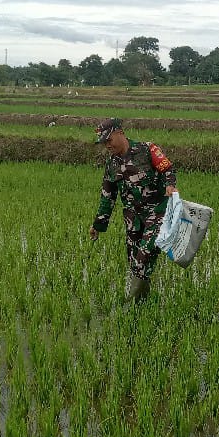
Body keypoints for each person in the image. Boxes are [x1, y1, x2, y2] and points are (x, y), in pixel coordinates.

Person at [89, 118, 178, 301]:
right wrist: (98, 225)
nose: (107, 145)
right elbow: (107, 197)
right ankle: (143, 301)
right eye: (104, 143)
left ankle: (131, 302)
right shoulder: (111, 165)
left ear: (120, 133)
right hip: (133, 218)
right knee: (134, 261)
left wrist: (170, 185)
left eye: (109, 140)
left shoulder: (147, 149)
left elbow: (167, 168)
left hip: (157, 213)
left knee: (144, 254)